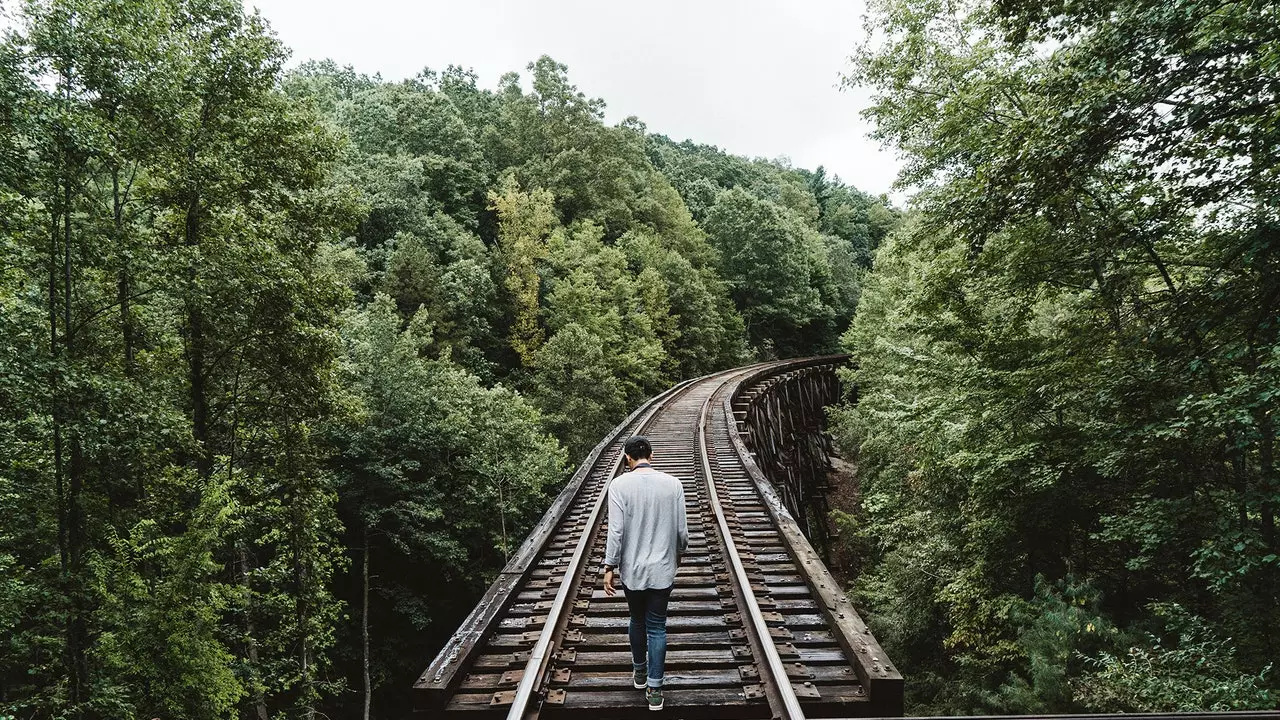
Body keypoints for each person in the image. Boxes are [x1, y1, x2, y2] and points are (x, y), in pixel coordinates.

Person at [602, 435, 688, 712]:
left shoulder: (618, 486)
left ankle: (639, 673)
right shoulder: (673, 484)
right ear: (651, 454)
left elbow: (615, 532)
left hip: (633, 570)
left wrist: (609, 567)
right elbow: (681, 533)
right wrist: (678, 553)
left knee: (636, 619)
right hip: (662, 569)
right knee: (657, 626)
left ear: (627, 458)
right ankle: (654, 689)